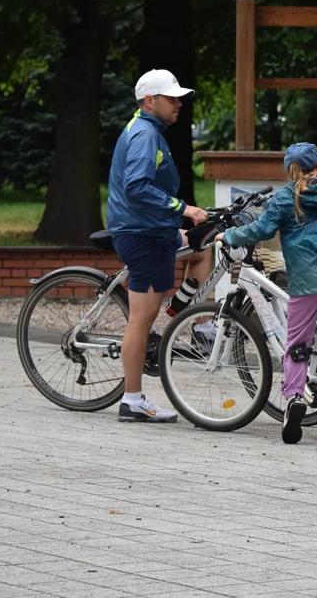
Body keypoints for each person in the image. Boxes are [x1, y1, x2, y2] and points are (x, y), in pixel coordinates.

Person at [217, 142, 317, 445]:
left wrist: (229, 234)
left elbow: (262, 230)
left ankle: (293, 398)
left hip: (306, 277)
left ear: (291, 169)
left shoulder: (284, 198)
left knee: (298, 340)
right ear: (316, 166)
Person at [108, 69, 212, 423]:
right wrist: (183, 208)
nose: (179, 103)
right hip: (143, 236)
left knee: (203, 249)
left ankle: (185, 319)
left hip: (153, 230)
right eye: (171, 98)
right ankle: (132, 400)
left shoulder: (148, 129)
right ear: (150, 101)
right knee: (141, 320)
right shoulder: (143, 135)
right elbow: (137, 186)